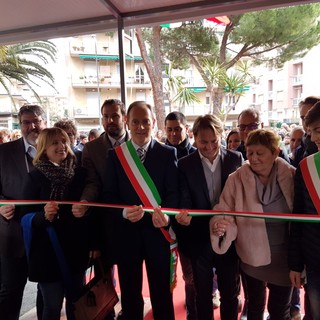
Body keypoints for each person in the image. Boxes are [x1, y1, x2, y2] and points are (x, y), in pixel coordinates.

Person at [103, 101, 179, 320]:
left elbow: (173, 192)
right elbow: (108, 196)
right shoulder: (116, 155)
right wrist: (123, 213)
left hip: (158, 235)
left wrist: (166, 215)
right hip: (128, 235)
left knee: (162, 294)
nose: (141, 127)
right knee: (130, 294)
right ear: (127, 122)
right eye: (135, 121)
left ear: (153, 123)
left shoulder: (168, 153)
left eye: (146, 121)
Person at [210, 129, 295, 320]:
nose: (253, 158)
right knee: (254, 306)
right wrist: (219, 225)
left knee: (281, 310)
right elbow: (224, 211)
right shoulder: (236, 178)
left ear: (275, 152)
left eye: (260, 153)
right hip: (251, 255)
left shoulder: (290, 175)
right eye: (250, 153)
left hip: (286, 257)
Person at [21, 127, 95, 320]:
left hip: (75, 250)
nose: (61, 146)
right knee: (52, 306)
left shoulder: (80, 174)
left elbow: (94, 212)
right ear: (44, 148)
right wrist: (43, 215)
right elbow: (24, 217)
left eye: (64, 141)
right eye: (55, 142)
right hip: (47, 253)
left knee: (76, 303)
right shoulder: (34, 177)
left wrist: (85, 211)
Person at [176, 114, 243, 320]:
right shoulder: (184, 164)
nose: (209, 146)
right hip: (199, 238)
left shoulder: (235, 159)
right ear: (194, 137)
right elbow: (185, 200)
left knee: (230, 294)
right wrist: (188, 217)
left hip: (229, 238)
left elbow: (239, 199)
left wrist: (224, 225)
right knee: (202, 294)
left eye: (214, 141)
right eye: (203, 141)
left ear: (221, 135)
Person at [73, 98, 129, 320]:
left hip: (133, 221)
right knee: (104, 273)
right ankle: (106, 312)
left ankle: (129, 310)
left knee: (130, 273)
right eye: (105, 116)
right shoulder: (91, 148)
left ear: (124, 117)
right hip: (103, 223)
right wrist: (86, 201)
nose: (110, 120)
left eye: (114, 116)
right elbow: (92, 183)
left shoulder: (136, 142)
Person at [0, 104, 47, 320]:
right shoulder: (3, 152)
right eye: (27, 122)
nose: (32, 126)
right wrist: (1, 205)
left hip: (46, 234)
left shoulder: (57, 149)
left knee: (45, 293)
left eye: (36, 121)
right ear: (20, 125)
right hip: (13, 235)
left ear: (44, 122)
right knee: (10, 291)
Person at [289, 101, 320, 320]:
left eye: (318, 130)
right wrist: (296, 265)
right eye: (311, 132)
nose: (315, 138)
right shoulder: (306, 168)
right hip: (315, 260)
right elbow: (298, 219)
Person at [164, 111, 197, 320]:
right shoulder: (160, 153)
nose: (174, 133)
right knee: (164, 275)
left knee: (190, 275)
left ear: (186, 129)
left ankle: (192, 312)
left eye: (177, 128)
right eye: (169, 129)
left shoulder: (195, 154)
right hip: (165, 224)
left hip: (190, 225)